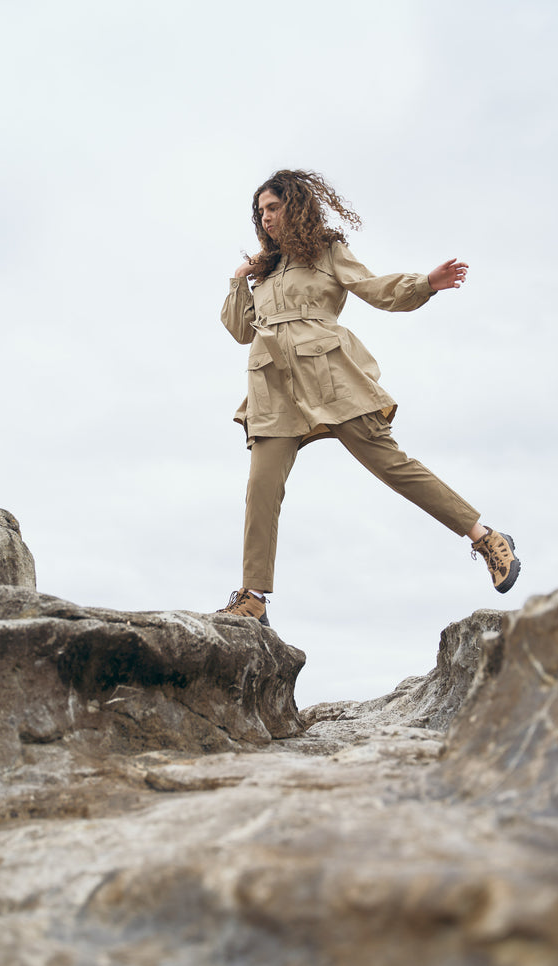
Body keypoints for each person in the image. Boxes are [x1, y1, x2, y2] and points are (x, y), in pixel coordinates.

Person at [217, 169, 520, 627]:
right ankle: (253, 596)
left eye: (273, 207)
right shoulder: (265, 272)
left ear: (294, 206)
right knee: (260, 490)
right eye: (261, 212)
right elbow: (241, 331)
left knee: (391, 466)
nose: (267, 218)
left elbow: (374, 289)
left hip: (330, 379)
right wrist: (241, 278)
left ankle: (486, 537)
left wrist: (424, 283)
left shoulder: (325, 252)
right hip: (272, 390)